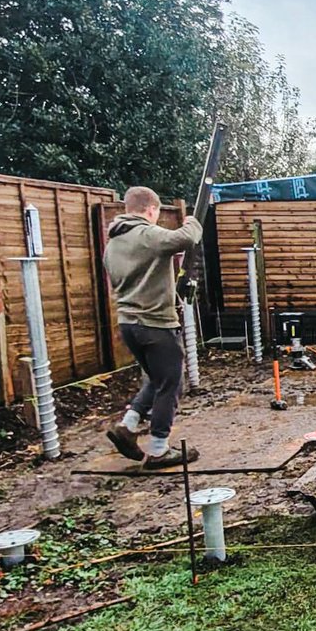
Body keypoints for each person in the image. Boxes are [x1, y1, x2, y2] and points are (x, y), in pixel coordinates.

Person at [102, 186, 203, 468]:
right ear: (150, 210)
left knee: (155, 380)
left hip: (129, 324)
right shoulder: (146, 234)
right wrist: (192, 221)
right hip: (155, 324)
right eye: (156, 213)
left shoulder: (114, 243)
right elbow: (186, 238)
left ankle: (127, 425)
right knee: (171, 384)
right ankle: (159, 450)